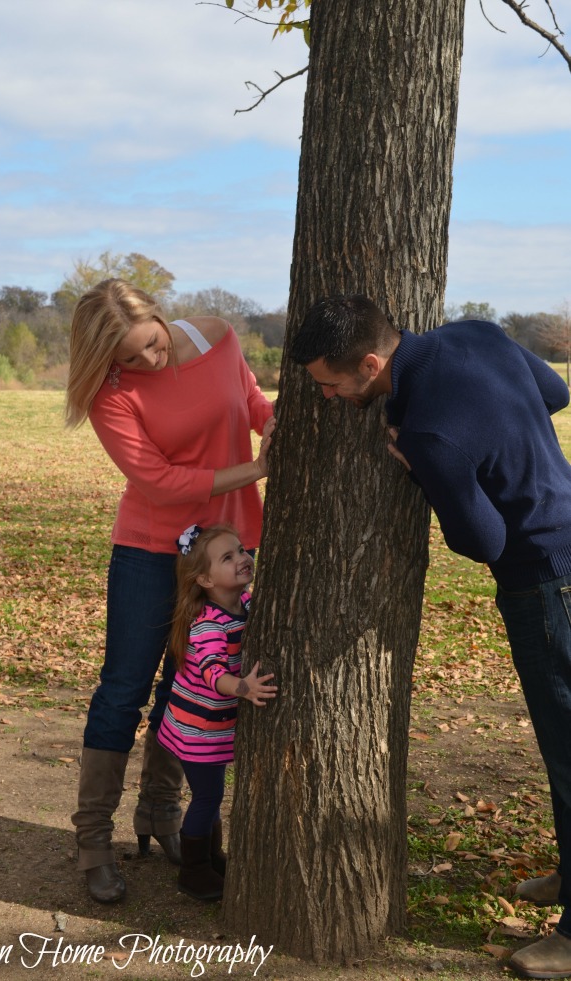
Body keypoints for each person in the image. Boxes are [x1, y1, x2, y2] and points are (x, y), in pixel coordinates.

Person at [290, 293, 571, 981]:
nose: (325, 397)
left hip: (546, 584)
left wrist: (427, 472)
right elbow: (555, 390)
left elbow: (483, 539)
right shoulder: (477, 334)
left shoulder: (429, 436)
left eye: (329, 384)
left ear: (370, 362)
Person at [66, 280, 275, 904]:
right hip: (150, 550)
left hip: (224, 549)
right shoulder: (109, 391)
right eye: (132, 359)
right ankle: (93, 842)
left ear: (161, 317)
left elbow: (252, 404)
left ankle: (161, 813)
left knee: (189, 683)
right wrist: (257, 470)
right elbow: (157, 482)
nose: (149, 363)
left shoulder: (216, 336)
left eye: (153, 345)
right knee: (123, 690)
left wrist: (279, 424)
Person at [157, 523, 277, 901]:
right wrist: (245, 688)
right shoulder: (208, 624)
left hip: (210, 725)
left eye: (242, 550)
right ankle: (193, 871)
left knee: (210, 793)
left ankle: (209, 857)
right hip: (196, 728)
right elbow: (213, 672)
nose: (243, 558)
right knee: (207, 796)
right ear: (205, 579)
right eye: (229, 557)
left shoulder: (243, 603)